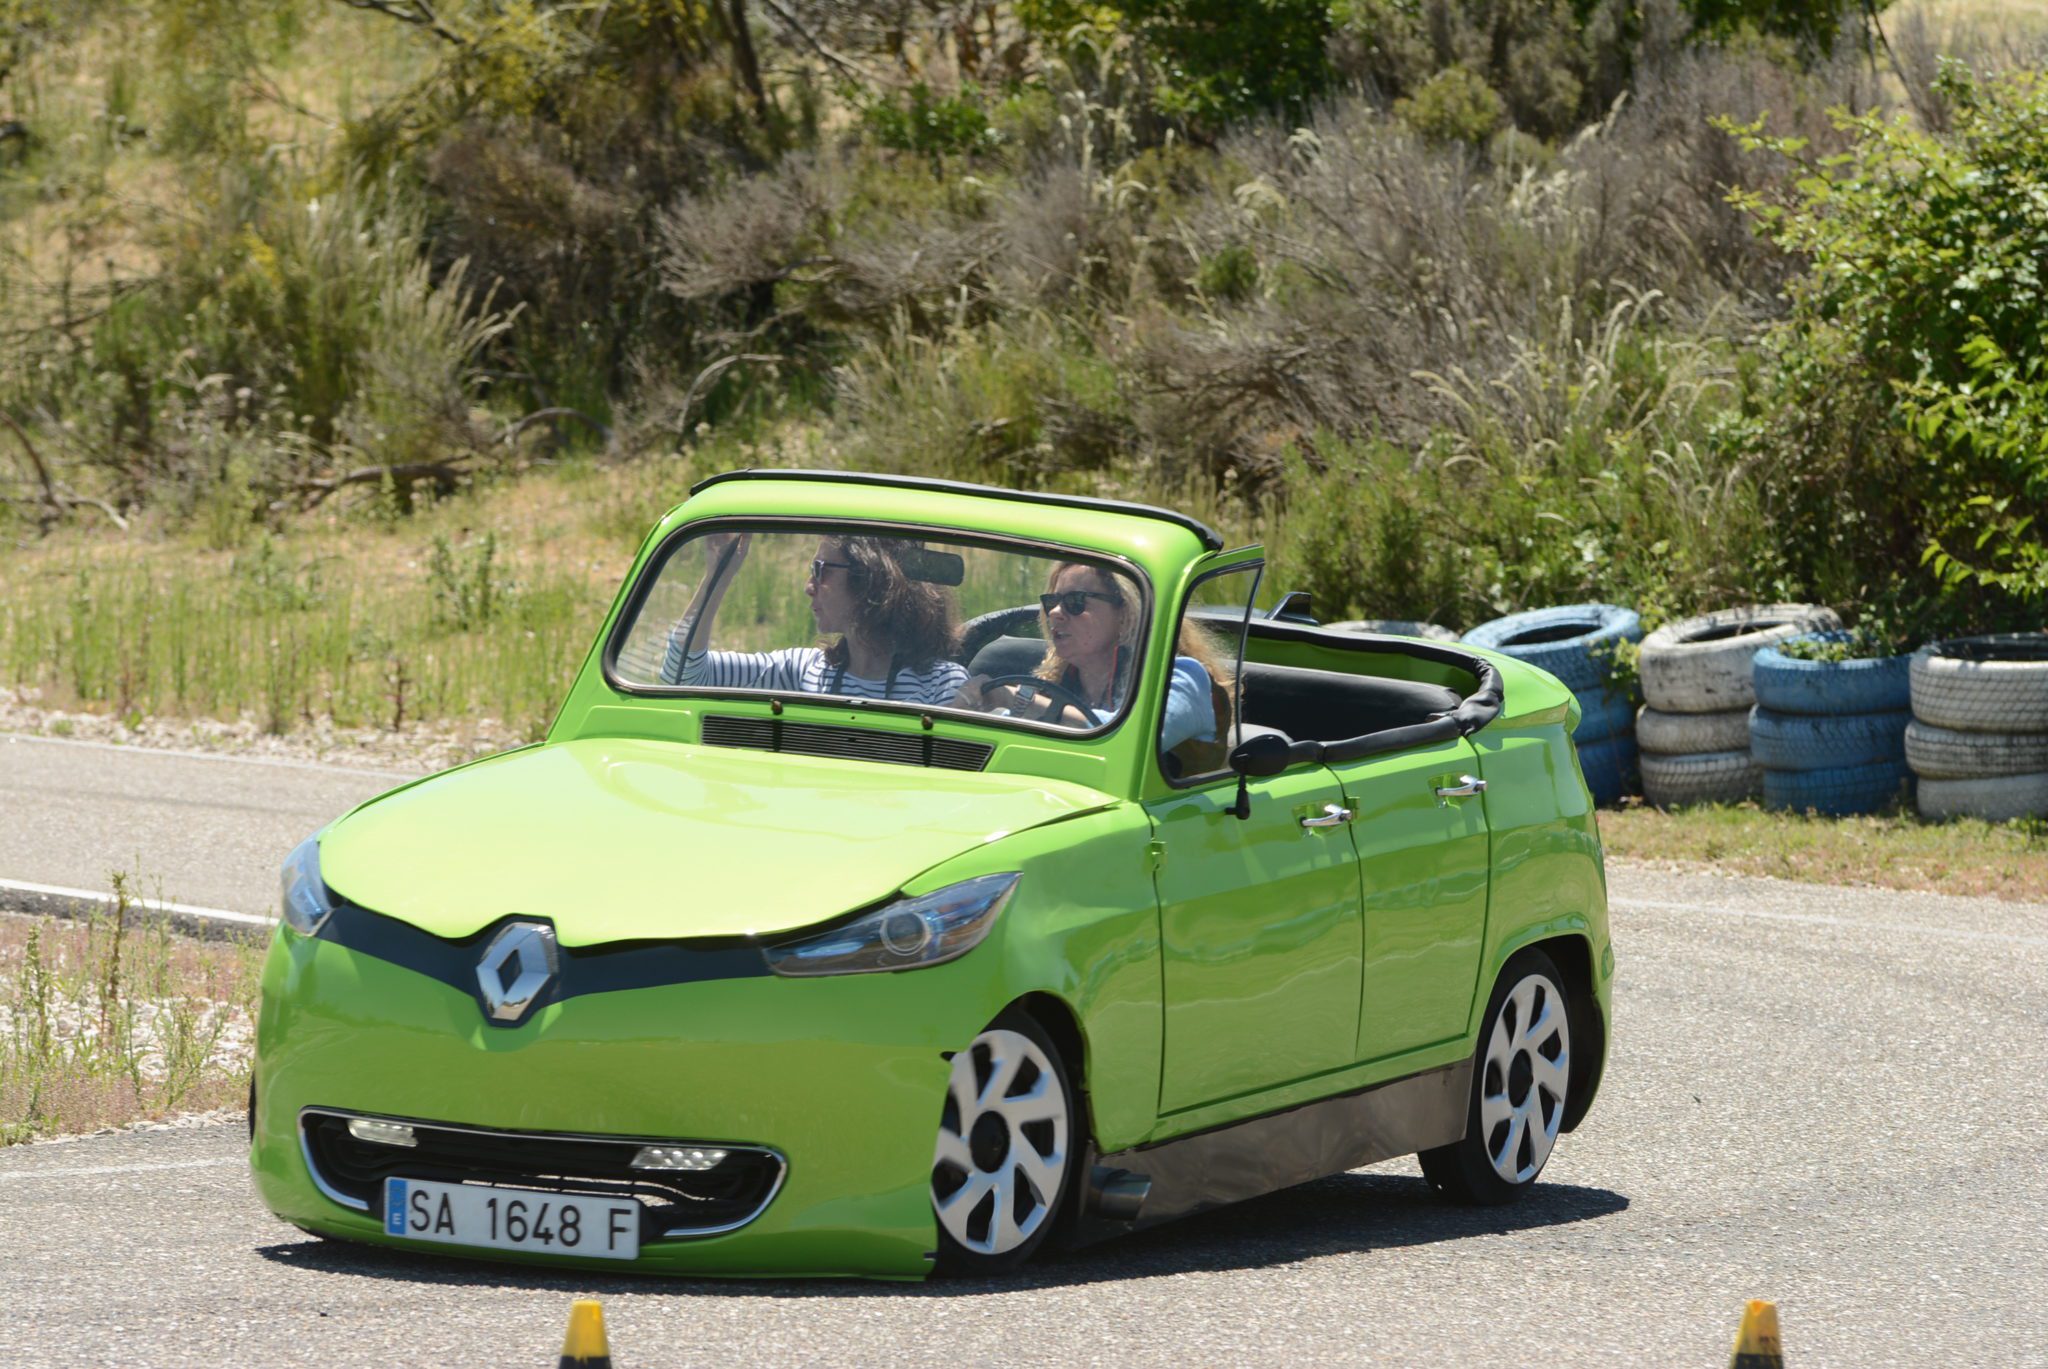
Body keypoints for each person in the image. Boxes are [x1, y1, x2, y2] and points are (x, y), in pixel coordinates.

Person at [956, 561, 1235, 757]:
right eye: (1052, 601)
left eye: (1075, 602)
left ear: (1126, 613)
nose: (1054, 613)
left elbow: (1128, 740)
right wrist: (977, 707)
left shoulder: (1185, 678)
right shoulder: (1054, 686)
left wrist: (1017, 700)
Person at [660, 531, 968, 705]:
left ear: (869, 578)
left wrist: (963, 705)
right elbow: (682, 677)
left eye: (821, 570)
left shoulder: (942, 684)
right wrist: (718, 575)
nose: (809, 587)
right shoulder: (803, 669)